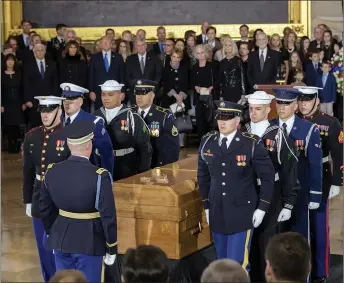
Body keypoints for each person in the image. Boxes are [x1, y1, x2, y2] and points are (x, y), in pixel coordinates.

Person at [197, 100, 274, 272]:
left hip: (242, 213)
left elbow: (268, 177)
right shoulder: (207, 141)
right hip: (217, 211)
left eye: (228, 118)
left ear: (238, 120)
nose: (222, 122)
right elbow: (203, 177)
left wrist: (262, 208)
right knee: (221, 264)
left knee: (238, 265)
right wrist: (207, 206)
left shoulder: (251, 143)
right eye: (220, 118)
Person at [40, 120, 117, 283]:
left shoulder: (52, 171)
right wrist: (112, 247)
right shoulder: (99, 176)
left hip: (60, 240)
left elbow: (45, 209)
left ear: (69, 145)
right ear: (89, 145)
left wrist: (51, 233)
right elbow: (108, 216)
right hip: (89, 242)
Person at [243, 91, 299, 282]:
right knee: (247, 244)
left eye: (258, 109)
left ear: (268, 109)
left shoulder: (277, 134)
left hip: (271, 194)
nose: (253, 113)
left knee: (267, 243)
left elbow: (289, 169)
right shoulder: (243, 131)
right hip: (246, 193)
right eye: (250, 109)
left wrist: (289, 202)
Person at [296, 86, 343, 282]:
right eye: (301, 100)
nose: (303, 104)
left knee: (319, 226)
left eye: (307, 100)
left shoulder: (330, 123)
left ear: (316, 101)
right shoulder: (293, 121)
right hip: (297, 177)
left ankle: (321, 271)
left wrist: (337, 182)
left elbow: (339, 155)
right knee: (299, 226)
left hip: (321, 176)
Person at [22, 96, 69, 282]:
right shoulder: (32, 136)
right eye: (42, 111)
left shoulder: (68, 135)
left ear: (60, 110)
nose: (45, 115)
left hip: (61, 197)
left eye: (49, 110)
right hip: (38, 196)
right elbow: (27, 170)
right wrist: (27, 199)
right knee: (43, 248)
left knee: (61, 247)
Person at [271, 88, 322, 242]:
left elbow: (315, 164)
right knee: (274, 238)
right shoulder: (269, 126)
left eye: (286, 104)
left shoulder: (308, 129)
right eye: (279, 103)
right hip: (274, 192)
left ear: (295, 106)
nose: (282, 107)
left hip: (300, 191)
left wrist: (315, 194)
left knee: (298, 237)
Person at [94, 80, 152, 180]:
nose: (106, 98)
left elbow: (144, 146)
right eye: (103, 94)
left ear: (120, 96)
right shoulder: (96, 116)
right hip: (101, 166)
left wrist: (143, 171)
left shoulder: (132, 117)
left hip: (126, 167)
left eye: (110, 95)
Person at [60, 83, 114, 175]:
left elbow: (106, 154)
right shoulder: (57, 121)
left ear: (81, 102)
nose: (67, 104)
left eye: (71, 100)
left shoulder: (93, 122)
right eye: (64, 100)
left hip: (84, 176)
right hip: (60, 175)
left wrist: (106, 178)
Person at [131, 79, 180, 168]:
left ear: (152, 96)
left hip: (156, 164)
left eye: (143, 93)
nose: (139, 97)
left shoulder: (163, 115)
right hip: (133, 165)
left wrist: (166, 168)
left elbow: (172, 147)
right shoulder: (129, 113)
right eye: (137, 93)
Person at [23, 43, 59, 129]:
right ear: (34, 52)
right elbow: (26, 83)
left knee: (50, 125)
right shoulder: (28, 65)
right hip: (34, 101)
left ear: (45, 51)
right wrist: (27, 100)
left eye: (42, 50)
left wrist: (56, 98)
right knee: (36, 126)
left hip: (49, 100)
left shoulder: (52, 64)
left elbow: (55, 82)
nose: (40, 52)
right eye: (37, 50)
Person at [88, 36, 125, 110]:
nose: (105, 44)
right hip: (99, 92)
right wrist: (91, 91)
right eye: (103, 42)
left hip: (115, 92)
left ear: (111, 44)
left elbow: (122, 75)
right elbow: (91, 75)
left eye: (107, 42)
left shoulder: (118, 57)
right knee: (100, 114)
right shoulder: (94, 57)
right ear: (100, 44)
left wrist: (123, 91)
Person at [125, 39, 163, 104]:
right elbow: (127, 76)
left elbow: (158, 74)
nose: (140, 47)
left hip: (151, 93)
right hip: (135, 94)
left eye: (142, 45)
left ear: (146, 46)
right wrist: (135, 88)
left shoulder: (155, 58)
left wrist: (152, 88)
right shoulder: (130, 59)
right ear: (136, 47)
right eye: (138, 45)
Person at [1, 53, 25, 153]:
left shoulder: (19, 73)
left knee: (16, 125)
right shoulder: (1, 74)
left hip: (17, 103)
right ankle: (10, 147)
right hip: (6, 103)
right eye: (8, 60)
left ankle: (17, 146)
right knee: (8, 125)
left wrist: (23, 102)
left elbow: (23, 89)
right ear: (5, 62)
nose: (10, 62)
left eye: (12, 60)